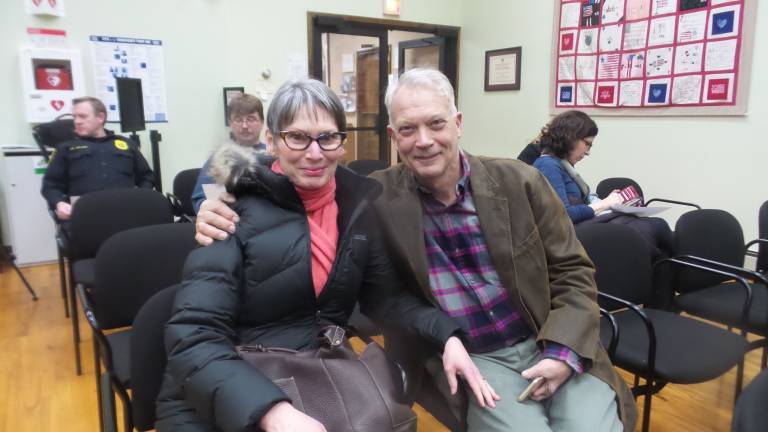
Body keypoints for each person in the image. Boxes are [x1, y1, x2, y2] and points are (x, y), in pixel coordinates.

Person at [194, 69, 637, 432]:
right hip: (475, 356)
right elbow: (291, 172)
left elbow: (574, 272)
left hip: (547, 334)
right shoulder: (376, 196)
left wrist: (562, 352)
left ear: (458, 123)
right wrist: (215, 200)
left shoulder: (520, 181)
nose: (423, 140)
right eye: (408, 129)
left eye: (436, 123)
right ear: (393, 135)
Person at [156, 78, 498, 432]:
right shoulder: (230, 211)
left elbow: (388, 300)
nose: (315, 153)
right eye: (298, 137)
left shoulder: (357, 209)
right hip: (221, 388)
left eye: (327, 137)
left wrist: (447, 336)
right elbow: (194, 336)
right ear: (272, 141)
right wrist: (272, 412)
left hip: (315, 375)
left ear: (341, 143)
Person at [532, 110, 674, 258]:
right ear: (570, 138)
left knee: (656, 229)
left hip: (582, 230)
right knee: (654, 228)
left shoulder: (561, 164)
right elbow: (563, 216)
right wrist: (605, 204)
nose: (588, 152)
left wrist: (609, 202)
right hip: (572, 236)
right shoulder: (548, 165)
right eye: (587, 144)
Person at [40, 96, 155, 221]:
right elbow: (50, 185)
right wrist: (59, 203)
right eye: (75, 117)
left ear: (100, 117)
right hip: (84, 216)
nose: (77, 121)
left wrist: (140, 200)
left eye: (82, 116)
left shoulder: (126, 144)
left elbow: (147, 177)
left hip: (125, 212)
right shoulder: (65, 148)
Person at [189, 93, 268, 213]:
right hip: (232, 221)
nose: (245, 126)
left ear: (262, 122)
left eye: (251, 119)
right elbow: (203, 199)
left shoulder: (272, 155)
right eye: (238, 119)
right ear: (230, 123)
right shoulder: (220, 158)